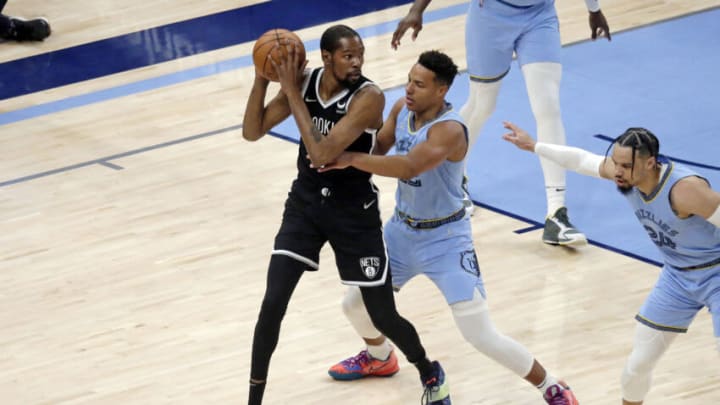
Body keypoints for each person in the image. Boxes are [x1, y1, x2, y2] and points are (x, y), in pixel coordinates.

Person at [320, 50, 578, 405]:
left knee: (479, 334)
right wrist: (339, 141)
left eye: (419, 84)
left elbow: (409, 166)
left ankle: (549, 385)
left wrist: (348, 159)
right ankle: (379, 358)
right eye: (410, 79)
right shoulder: (401, 109)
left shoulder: (450, 130)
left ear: (441, 91)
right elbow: (379, 148)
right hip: (401, 232)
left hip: (446, 240)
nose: (409, 89)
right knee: (354, 305)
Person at [241, 25, 450, 405]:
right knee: (272, 304)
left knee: (383, 315)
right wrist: (261, 77)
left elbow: (321, 154)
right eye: (348, 56)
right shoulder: (304, 83)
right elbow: (252, 131)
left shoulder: (368, 97)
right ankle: (253, 400)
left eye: (360, 55)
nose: (357, 62)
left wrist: (290, 91)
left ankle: (427, 369)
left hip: (353, 212)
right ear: (326, 58)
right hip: (305, 206)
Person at [502, 122, 720, 404]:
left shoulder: (685, 190)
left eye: (625, 165)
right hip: (677, 277)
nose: (616, 171)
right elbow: (582, 160)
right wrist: (534, 146)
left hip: (715, 273)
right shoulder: (627, 176)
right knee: (637, 366)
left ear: (650, 163)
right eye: (615, 162)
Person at [391, 0, 611, 247]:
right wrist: (416, 9)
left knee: (548, 106)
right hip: (491, 15)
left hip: (540, 14)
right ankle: (455, 176)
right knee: (482, 104)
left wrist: (593, 9)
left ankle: (556, 214)